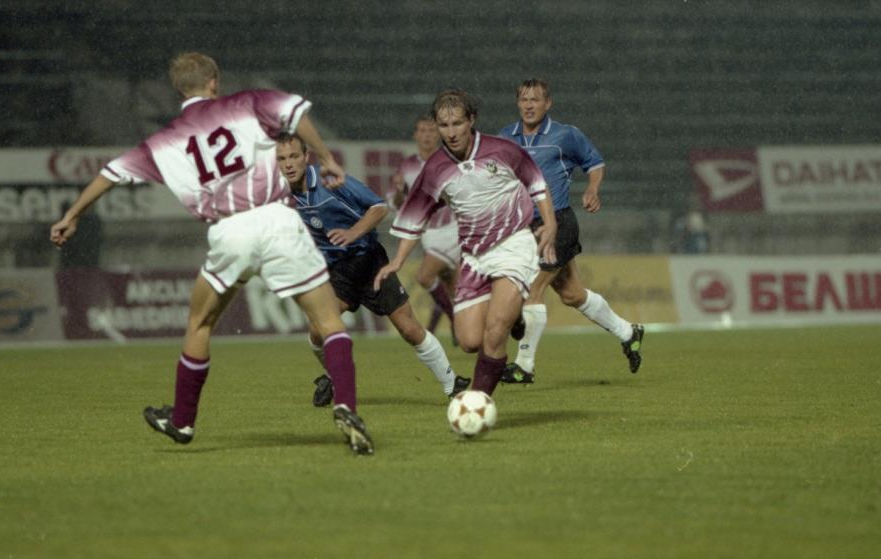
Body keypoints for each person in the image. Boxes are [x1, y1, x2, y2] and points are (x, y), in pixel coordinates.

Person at [50, 53, 373, 455]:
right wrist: (326, 158)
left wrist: (72, 215)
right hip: (277, 219)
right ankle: (346, 407)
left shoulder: (166, 140)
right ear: (214, 81)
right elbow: (295, 114)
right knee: (327, 319)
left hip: (229, 230)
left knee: (200, 323)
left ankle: (183, 420)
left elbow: (110, 173)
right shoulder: (248, 102)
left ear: (178, 90)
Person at [374, 90, 557, 397]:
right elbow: (413, 218)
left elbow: (537, 184)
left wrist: (550, 223)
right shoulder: (435, 168)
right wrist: (398, 261)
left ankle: (477, 402)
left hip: (514, 244)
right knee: (470, 341)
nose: (451, 132)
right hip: (473, 256)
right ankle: (514, 317)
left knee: (495, 331)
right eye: (444, 125)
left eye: (457, 123)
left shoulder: (502, 149)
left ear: (471, 120)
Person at [276, 134, 469, 406]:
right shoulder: (279, 195)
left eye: (294, 156)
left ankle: (452, 385)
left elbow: (378, 207)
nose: (288, 164)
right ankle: (334, 377)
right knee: (317, 330)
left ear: (306, 157)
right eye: (282, 159)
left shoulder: (330, 179)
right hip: (336, 270)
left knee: (409, 328)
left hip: (369, 261)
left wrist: (353, 232)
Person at [498, 79, 644, 385]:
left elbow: (595, 162)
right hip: (523, 229)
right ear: (517, 103)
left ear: (548, 103)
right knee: (572, 294)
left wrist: (592, 188)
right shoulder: (505, 138)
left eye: (535, 99)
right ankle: (628, 332)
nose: (529, 105)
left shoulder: (565, 135)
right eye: (524, 99)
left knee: (531, 291)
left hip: (558, 224)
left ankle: (524, 366)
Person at [386, 116, 459, 342]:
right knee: (450, 288)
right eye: (423, 131)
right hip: (428, 234)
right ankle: (463, 327)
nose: (427, 135)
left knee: (425, 276)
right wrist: (400, 193)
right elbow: (395, 203)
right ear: (415, 135)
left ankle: (454, 321)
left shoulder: (450, 160)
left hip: (453, 228)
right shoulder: (407, 166)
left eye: (431, 130)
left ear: (438, 134)